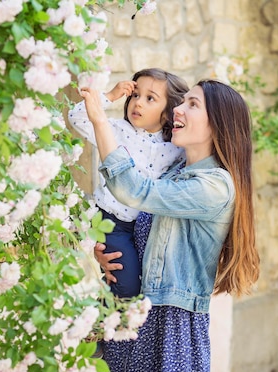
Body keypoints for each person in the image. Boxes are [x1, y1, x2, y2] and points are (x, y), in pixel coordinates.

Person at [79, 79, 261, 372]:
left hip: (168, 324)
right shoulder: (174, 169)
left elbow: (133, 190)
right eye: (183, 102)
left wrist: (100, 121)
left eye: (193, 104)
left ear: (218, 124)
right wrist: (102, 250)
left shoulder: (215, 186)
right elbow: (135, 228)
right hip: (134, 312)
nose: (178, 108)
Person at [68, 68, 189, 298]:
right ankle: (105, 326)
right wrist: (110, 96)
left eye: (150, 98)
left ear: (167, 113)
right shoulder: (118, 131)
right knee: (126, 285)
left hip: (145, 228)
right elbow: (77, 117)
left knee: (142, 284)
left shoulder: (175, 146)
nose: (138, 103)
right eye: (135, 95)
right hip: (112, 222)